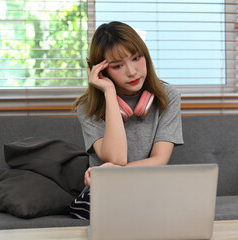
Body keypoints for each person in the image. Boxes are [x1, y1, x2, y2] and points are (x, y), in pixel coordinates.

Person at [69, 21, 184, 220]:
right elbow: (117, 158)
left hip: (147, 190)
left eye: (136, 58)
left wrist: (109, 174)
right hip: (106, 194)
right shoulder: (88, 107)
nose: (132, 71)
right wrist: (109, 93)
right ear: (101, 71)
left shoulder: (168, 97)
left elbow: (160, 159)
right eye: (117, 66)